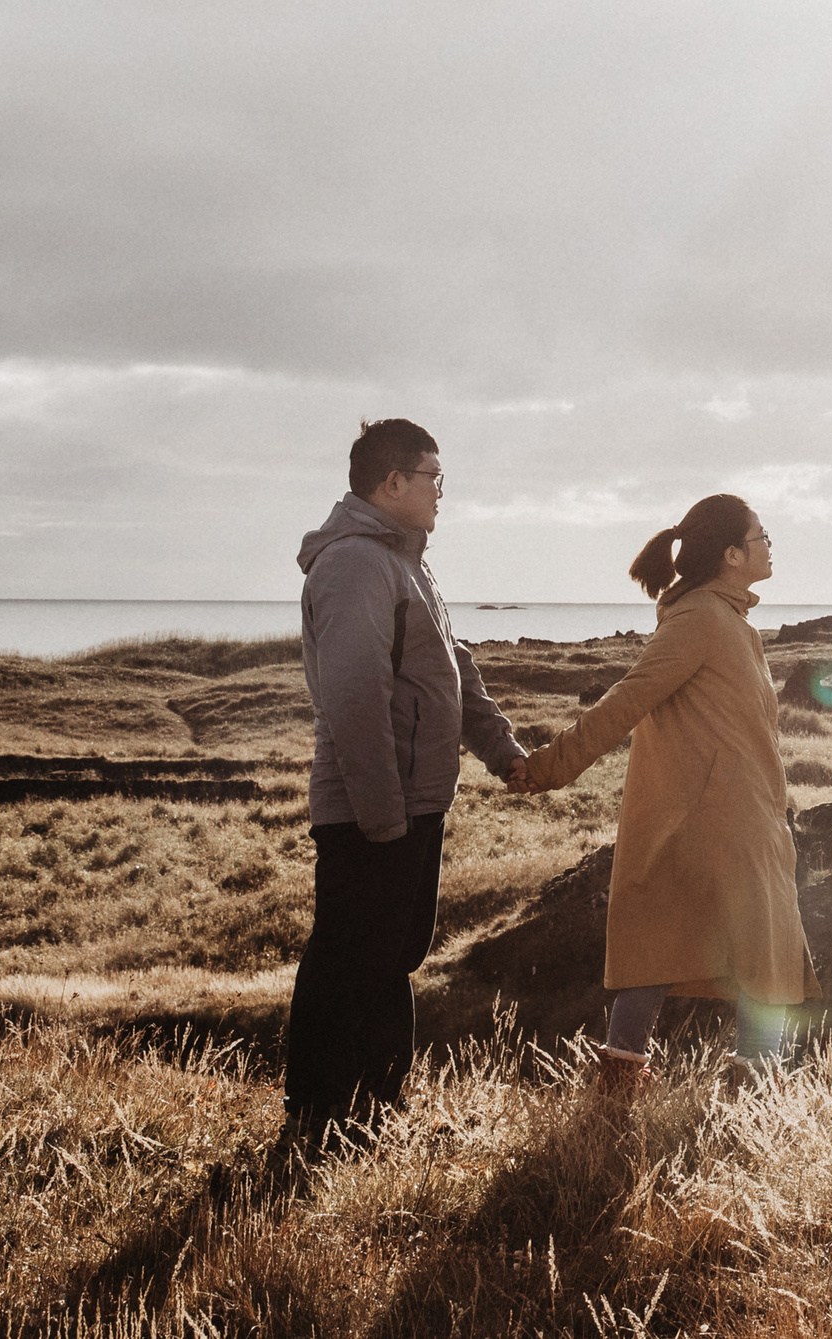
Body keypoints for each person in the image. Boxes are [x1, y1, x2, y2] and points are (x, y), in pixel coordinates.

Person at [508, 493, 816, 1092]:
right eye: (762, 536)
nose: (770, 545)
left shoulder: (725, 620)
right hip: (725, 822)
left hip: (740, 814)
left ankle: (622, 1082)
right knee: (766, 953)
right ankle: (753, 1088)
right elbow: (626, 701)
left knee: (663, 941)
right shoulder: (704, 618)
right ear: (732, 554)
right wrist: (547, 768)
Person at [285, 417, 527, 1144]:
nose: (441, 494)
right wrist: (385, 817)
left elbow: (453, 667)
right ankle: (321, 1116)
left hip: (409, 803)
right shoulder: (357, 563)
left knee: (391, 959)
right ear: (392, 482)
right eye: (433, 479)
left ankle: (376, 1110)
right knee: (350, 958)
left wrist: (501, 748)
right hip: (373, 807)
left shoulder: (404, 561)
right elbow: (355, 698)